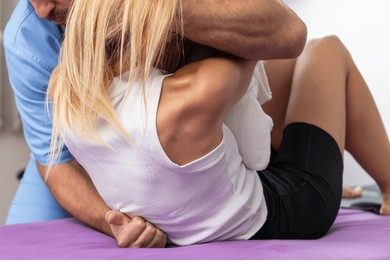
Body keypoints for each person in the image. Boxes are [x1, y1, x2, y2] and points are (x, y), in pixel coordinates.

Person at [48, 0, 390, 246]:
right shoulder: (194, 96)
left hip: (192, 207)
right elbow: (259, 39)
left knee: (283, 73)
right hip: (290, 207)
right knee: (326, 51)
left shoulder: (62, 90)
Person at [3, 0, 304, 247]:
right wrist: (116, 223)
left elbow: (288, 35)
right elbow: (55, 162)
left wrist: (142, 7)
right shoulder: (26, 37)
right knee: (18, 252)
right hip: (71, 152)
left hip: (174, 128)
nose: (41, 10)